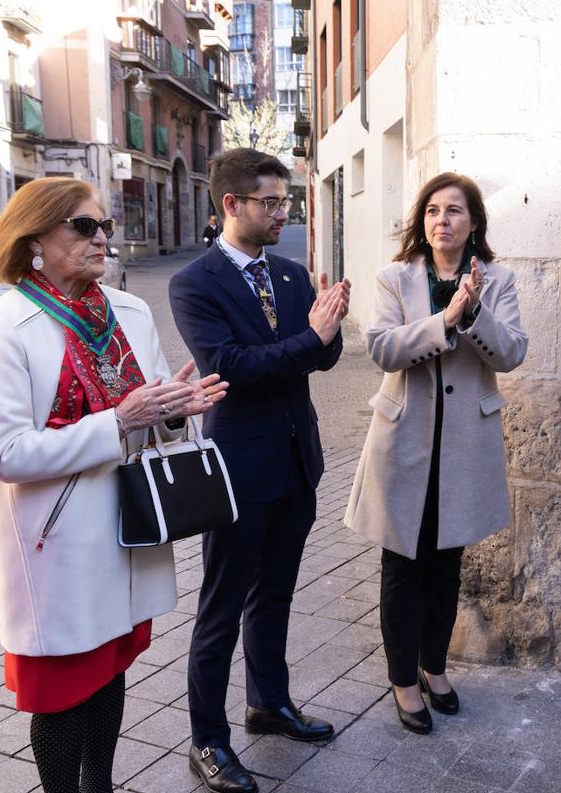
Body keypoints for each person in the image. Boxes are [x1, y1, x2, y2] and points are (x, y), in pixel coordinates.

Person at [0, 178, 227, 793]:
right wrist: (121, 418)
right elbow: (6, 454)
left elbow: (150, 410)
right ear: (34, 240)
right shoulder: (0, 327)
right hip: (55, 542)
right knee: (62, 691)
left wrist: (175, 409)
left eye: (104, 225)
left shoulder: (128, 311)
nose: (101, 237)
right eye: (84, 226)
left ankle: (99, 785)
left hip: (128, 525)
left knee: (110, 670)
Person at [170, 149, 350, 793]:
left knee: (274, 595)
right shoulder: (193, 284)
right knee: (221, 607)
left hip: (298, 460)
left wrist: (330, 330)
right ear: (232, 205)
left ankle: (267, 704)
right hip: (238, 469)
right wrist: (311, 338)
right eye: (272, 203)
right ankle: (208, 742)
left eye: (285, 203)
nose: (283, 213)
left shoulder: (295, 275)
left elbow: (317, 364)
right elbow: (232, 368)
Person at [344, 172, 528, 734]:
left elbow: (512, 353)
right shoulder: (394, 278)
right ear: (421, 223)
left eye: (454, 210)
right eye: (431, 210)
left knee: (446, 566)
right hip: (403, 445)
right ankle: (403, 680)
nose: (441, 220)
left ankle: (435, 666)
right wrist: (444, 320)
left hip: (463, 448)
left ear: (474, 223)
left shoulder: (495, 280)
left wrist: (474, 314)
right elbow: (381, 349)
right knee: (402, 564)